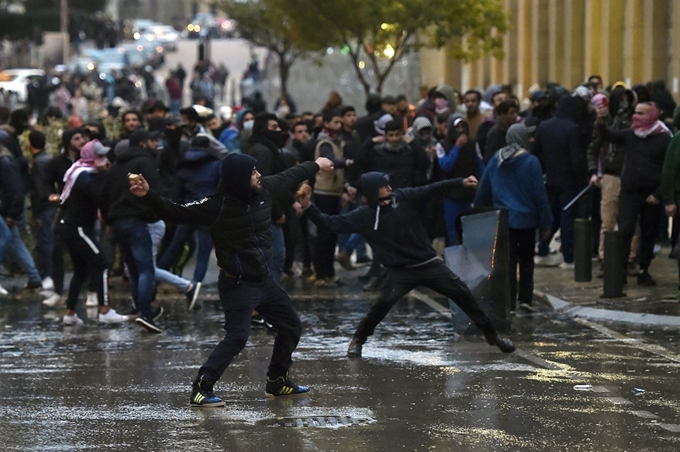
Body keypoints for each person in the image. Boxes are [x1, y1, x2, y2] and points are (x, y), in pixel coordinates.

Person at [129, 153, 334, 407]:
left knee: (291, 325)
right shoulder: (216, 205)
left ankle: (278, 380)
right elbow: (176, 212)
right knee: (237, 337)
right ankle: (201, 388)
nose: (258, 175)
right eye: (252, 172)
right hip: (237, 283)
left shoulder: (264, 190)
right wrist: (148, 195)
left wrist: (316, 165)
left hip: (264, 280)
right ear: (238, 179)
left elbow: (289, 176)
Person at [299, 171, 516, 358]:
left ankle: (491, 334)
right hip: (400, 272)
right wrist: (308, 205)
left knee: (461, 292)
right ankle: (358, 340)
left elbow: (432, 189)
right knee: (382, 304)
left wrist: (460, 182)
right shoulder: (364, 216)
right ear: (373, 190)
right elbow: (329, 223)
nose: (390, 187)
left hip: (428, 264)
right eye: (384, 185)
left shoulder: (403, 198)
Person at [474, 123, 552, 312]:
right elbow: (539, 195)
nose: (531, 140)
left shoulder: (496, 160)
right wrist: (546, 222)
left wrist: (478, 213)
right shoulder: (531, 162)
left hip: (504, 221)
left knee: (507, 262)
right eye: (528, 136)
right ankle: (525, 299)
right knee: (526, 260)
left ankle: (507, 301)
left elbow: (483, 190)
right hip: (526, 221)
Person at [57, 140, 128, 325]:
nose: (103, 160)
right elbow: (98, 194)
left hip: (75, 227)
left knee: (81, 270)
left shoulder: (86, 173)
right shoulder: (84, 175)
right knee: (102, 263)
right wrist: (105, 174)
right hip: (76, 228)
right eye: (99, 156)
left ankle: (70, 313)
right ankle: (105, 309)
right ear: (91, 158)